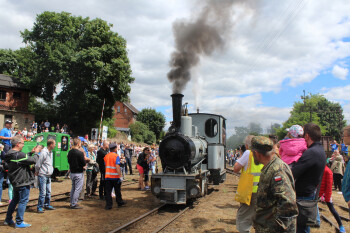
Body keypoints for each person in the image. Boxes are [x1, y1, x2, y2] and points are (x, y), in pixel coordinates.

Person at [252, 136, 298, 232]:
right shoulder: (270, 167)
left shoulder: (277, 170)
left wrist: (276, 228)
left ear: (256, 153)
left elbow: (288, 205)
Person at [291, 123, 326, 233]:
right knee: (304, 227)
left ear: (307, 136)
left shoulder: (311, 153)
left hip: (303, 197)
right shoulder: (319, 150)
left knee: (301, 229)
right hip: (308, 194)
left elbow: (293, 172)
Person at [4, 136, 40, 228]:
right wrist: (36, 153)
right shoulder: (19, 155)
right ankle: (19, 222)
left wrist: (30, 153)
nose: (23, 145)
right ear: (18, 144)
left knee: (15, 200)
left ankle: (8, 219)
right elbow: (33, 160)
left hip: (15, 180)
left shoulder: (10, 153)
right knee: (23, 201)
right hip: (22, 181)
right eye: (22, 143)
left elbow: (21, 159)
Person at [233, 135, 264, 233]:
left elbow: (236, 168)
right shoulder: (263, 153)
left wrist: (241, 156)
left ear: (247, 145)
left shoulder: (248, 153)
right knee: (259, 215)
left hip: (250, 191)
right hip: (262, 190)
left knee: (244, 217)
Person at [319, 165, 346, 232]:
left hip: (324, 194)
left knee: (332, 209)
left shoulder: (327, 171)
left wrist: (327, 198)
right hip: (317, 194)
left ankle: (341, 225)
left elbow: (329, 187)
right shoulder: (317, 169)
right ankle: (317, 221)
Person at [67, 138, 90, 209]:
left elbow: (69, 161)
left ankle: (72, 202)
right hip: (78, 172)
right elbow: (83, 163)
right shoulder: (80, 153)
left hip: (72, 172)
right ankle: (74, 203)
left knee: (73, 188)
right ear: (78, 144)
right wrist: (86, 160)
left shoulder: (70, 152)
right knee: (77, 189)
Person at [35, 139, 56, 213]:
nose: (55, 145)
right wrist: (37, 171)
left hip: (48, 175)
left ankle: (47, 204)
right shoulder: (44, 153)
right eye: (54, 144)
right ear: (50, 144)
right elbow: (38, 163)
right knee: (43, 192)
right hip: (43, 174)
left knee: (48, 191)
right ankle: (39, 207)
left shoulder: (50, 152)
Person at [104, 143, 126, 210]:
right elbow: (117, 167)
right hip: (115, 177)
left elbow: (105, 166)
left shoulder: (106, 156)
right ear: (115, 149)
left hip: (107, 177)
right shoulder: (116, 156)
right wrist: (120, 176)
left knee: (108, 192)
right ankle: (119, 202)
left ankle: (108, 205)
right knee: (117, 190)